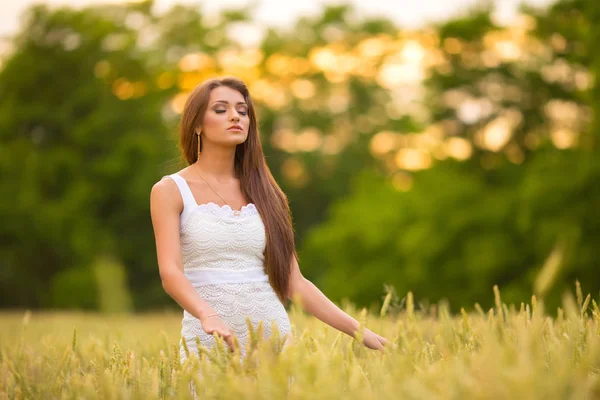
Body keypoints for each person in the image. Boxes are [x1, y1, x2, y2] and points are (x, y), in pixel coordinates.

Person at [150, 76, 389, 362]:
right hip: (208, 338)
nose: (235, 116)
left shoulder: (267, 193)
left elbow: (293, 282)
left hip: (270, 338)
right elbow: (170, 272)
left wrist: (359, 331)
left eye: (242, 110)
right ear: (197, 124)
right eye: (221, 109)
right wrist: (206, 315)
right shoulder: (170, 190)